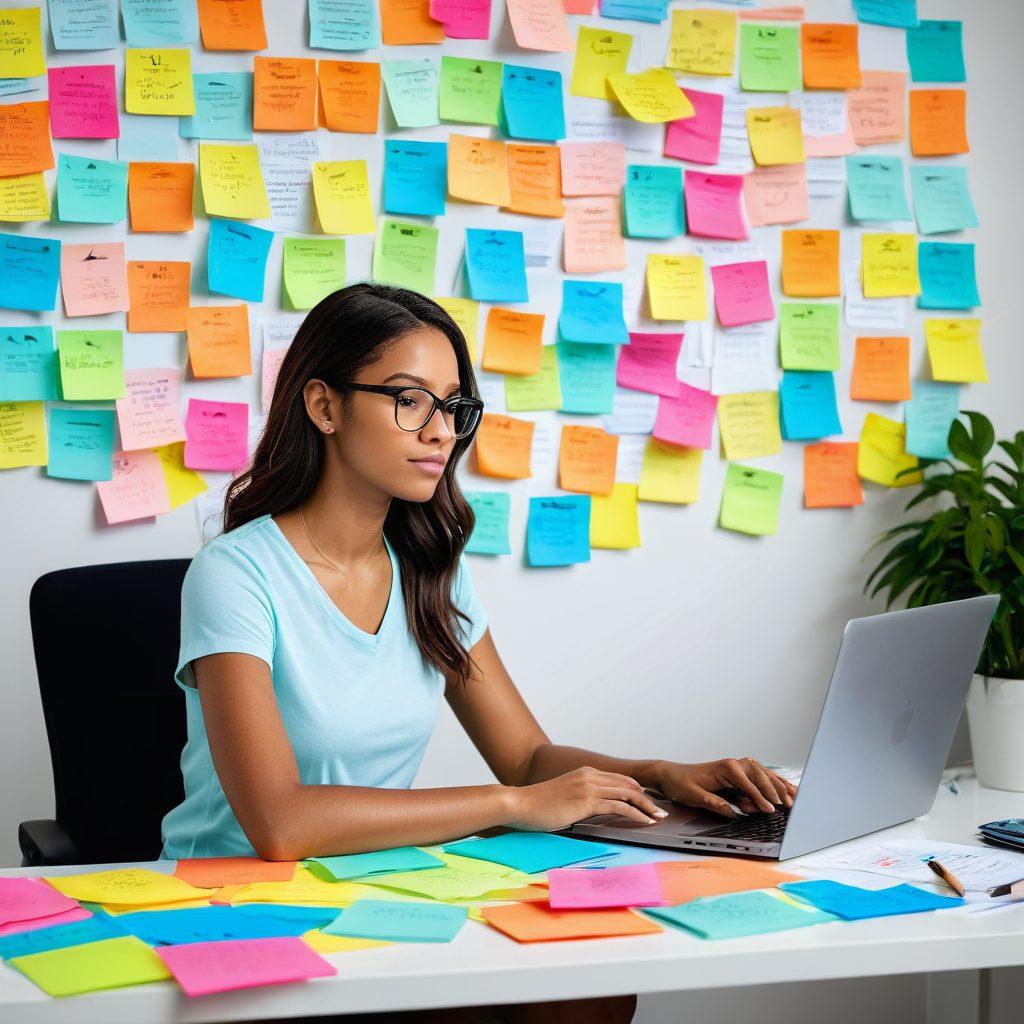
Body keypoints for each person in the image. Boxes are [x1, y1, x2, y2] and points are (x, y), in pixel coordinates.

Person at [161, 282, 796, 1024]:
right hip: (237, 897)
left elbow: (526, 758)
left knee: (591, 976)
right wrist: (512, 808)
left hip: (375, 885)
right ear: (324, 405)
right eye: (409, 400)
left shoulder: (432, 568)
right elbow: (280, 823)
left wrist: (660, 775)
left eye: (454, 407)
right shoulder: (235, 573)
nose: (441, 433)